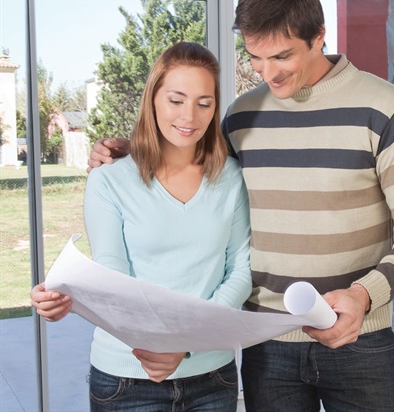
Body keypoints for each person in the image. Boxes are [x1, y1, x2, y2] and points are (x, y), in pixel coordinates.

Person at [87, 0, 394, 412]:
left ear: (319, 36)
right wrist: (123, 152)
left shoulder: (386, 109)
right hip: (267, 345)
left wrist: (364, 295)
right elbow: (188, 151)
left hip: (359, 340)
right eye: (255, 56)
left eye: (281, 56)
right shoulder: (240, 116)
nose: (266, 72)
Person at [31, 42, 252, 412]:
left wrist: (186, 344)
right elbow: (112, 274)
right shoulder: (109, 180)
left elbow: (241, 271)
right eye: (176, 100)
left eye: (204, 102)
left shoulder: (230, 176)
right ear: (153, 100)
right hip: (127, 379)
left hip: (213, 376)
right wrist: (67, 299)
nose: (190, 116)